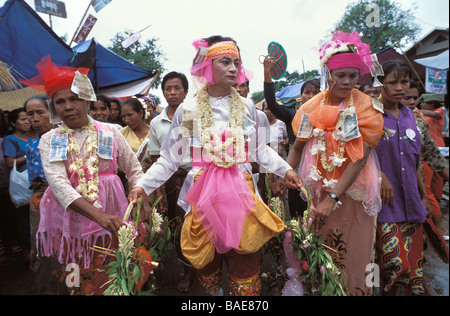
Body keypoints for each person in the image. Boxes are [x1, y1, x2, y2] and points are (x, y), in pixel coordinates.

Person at [129, 35, 302, 296]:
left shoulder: (246, 107)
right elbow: (170, 158)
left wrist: (286, 170)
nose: (234, 68)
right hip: (202, 196)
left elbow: (259, 151)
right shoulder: (189, 110)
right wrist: (143, 185)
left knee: (245, 261)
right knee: (207, 264)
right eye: (225, 62)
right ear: (208, 67)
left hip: (242, 194)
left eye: (237, 62)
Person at [20, 55, 146, 295]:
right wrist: (99, 215)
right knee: (76, 272)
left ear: (87, 100)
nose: (67, 106)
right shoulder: (50, 139)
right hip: (73, 216)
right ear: (53, 107)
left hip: (114, 209)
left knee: (113, 268)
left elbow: (134, 169)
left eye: (74, 99)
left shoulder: (110, 132)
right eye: (60, 102)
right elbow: (59, 185)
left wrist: (139, 192)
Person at [286, 31, 384, 295]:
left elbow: (359, 158)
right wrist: (284, 172)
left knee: (354, 250)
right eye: (340, 75)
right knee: (322, 250)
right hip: (319, 191)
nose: (347, 81)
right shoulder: (311, 107)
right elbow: (297, 147)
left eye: (353, 76)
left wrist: (333, 197)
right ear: (327, 74)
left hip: (352, 191)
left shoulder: (365, 108)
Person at [375, 59, 429, 296]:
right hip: (385, 205)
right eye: (393, 82)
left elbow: (415, 161)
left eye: (404, 82)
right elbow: (358, 157)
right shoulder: (371, 115)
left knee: (415, 269)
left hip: (412, 204)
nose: (400, 88)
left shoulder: (412, 118)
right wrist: (379, 176)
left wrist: (424, 194)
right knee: (396, 266)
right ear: (380, 84)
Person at [149, 71, 193, 292]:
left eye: (177, 88)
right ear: (163, 92)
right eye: (168, 88)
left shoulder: (194, 115)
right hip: (167, 181)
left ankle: (191, 272)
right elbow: (156, 159)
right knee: (172, 227)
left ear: (185, 92)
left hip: (193, 179)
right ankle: (179, 267)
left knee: (193, 226)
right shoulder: (157, 123)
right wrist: (157, 192)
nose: (173, 92)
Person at [404, 81, 449, 238]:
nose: (412, 102)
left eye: (415, 98)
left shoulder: (419, 122)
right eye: (406, 97)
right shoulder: (378, 120)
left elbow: (432, 153)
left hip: (417, 179)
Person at [24, 95, 54, 265]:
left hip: (63, 197)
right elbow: (32, 178)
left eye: (40, 112)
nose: (35, 118)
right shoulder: (31, 146)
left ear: (51, 112)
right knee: (41, 238)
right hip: (39, 198)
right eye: (30, 113)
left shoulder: (63, 140)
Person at [1, 107, 33, 262]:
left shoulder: (32, 139)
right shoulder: (10, 140)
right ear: (13, 123)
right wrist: (30, 155)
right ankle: (27, 252)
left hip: (35, 184)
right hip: (22, 186)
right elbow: (9, 162)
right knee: (23, 220)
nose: (27, 122)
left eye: (28, 118)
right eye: (23, 119)